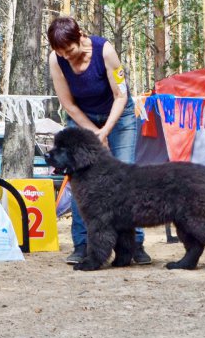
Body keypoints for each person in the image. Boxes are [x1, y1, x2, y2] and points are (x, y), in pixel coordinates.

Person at [47, 15, 151, 265]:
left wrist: (105, 132)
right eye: (61, 53)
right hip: (82, 117)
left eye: (69, 50)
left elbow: (121, 95)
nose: (66, 56)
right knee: (83, 181)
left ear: (80, 36)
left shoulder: (105, 51)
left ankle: (134, 243)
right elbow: (68, 104)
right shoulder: (56, 60)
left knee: (125, 177)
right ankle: (83, 245)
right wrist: (93, 132)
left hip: (119, 114)